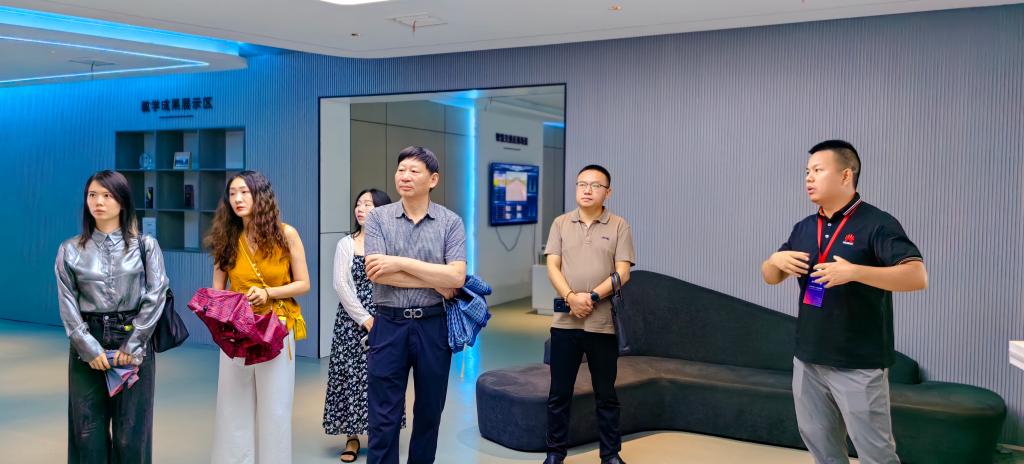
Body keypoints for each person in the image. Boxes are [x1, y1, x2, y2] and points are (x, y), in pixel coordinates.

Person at [761, 140, 928, 464]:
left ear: (845, 175)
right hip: (808, 359)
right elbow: (771, 276)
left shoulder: (877, 223)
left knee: (876, 454)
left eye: (818, 170)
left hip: (858, 362)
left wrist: (854, 272)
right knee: (822, 451)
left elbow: (916, 276)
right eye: (806, 172)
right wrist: (773, 260)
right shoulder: (804, 227)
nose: (809, 178)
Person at [55, 170, 169, 463]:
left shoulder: (145, 245)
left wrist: (134, 344)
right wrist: (87, 347)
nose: (99, 202)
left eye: (107, 195)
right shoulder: (69, 249)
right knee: (86, 432)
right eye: (92, 195)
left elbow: (156, 294)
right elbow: (67, 302)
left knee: (132, 434)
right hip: (87, 339)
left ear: (122, 201)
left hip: (132, 336)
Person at [362, 146, 467, 464]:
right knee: (383, 416)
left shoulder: (450, 222)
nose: (404, 176)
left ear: (433, 179)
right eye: (401, 170)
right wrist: (437, 280)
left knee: (429, 412)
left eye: (413, 171)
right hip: (388, 324)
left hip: (433, 326)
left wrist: (398, 262)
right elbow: (377, 273)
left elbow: (457, 277)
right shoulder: (378, 218)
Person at [205, 171, 310, 464]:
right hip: (236, 330)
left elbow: (303, 284)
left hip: (276, 327)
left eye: (244, 192)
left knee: (275, 406)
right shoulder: (226, 237)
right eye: (232, 193)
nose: (237, 199)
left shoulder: (286, 234)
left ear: (260, 196)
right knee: (232, 404)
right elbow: (218, 290)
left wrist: (268, 293)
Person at [543, 164, 635, 464]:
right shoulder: (560, 223)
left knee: (606, 394)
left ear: (608, 192)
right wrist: (571, 298)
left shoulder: (619, 225)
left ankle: (610, 455)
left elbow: (623, 273)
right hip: (565, 323)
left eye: (595, 185)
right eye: (582, 184)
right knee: (559, 393)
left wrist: (592, 297)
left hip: (602, 324)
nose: (587, 190)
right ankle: (555, 454)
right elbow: (552, 266)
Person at [323, 188, 404, 462]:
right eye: (359, 204)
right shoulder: (346, 244)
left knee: (386, 377)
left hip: (388, 318)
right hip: (352, 322)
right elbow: (341, 285)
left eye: (368, 204)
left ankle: (383, 433)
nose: (361, 209)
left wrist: (383, 317)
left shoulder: (390, 244)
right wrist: (366, 319)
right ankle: (352, 437)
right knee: (350, 378)